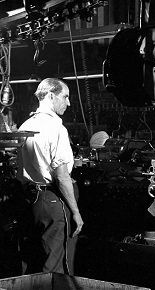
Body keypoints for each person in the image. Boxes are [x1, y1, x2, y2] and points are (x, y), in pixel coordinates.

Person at [16, 78, 83, 274]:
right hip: (53, 199)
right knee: (56, 266)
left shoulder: (25, 126)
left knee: (31, 260)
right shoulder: (56, 129)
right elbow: (62, 177)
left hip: (30, 200)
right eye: (66, 97)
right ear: (51, 96)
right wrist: (76, 213)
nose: (68, 103)